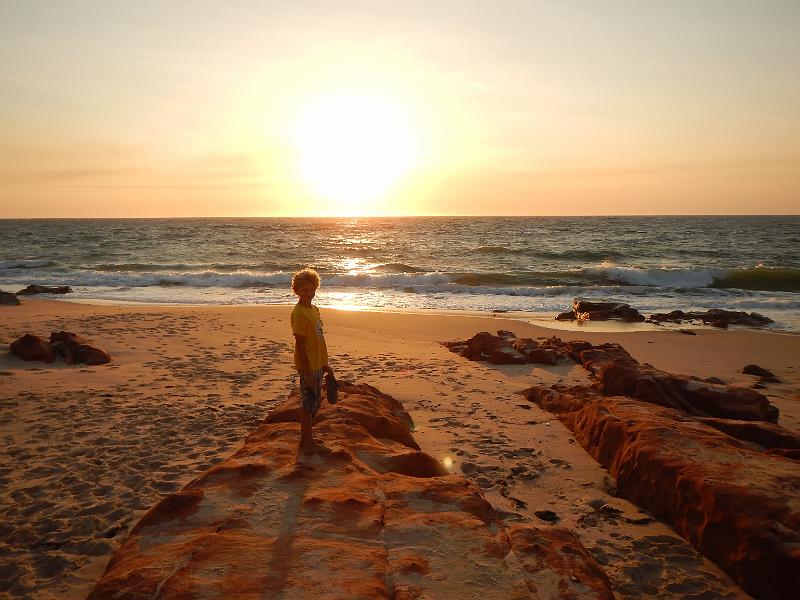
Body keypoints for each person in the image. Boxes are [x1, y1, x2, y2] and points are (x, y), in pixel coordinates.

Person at [290, 267, 333, 453]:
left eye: (311, 289)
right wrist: (307, 373)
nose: (309, 293)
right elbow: (300, 346)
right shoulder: (299, 313)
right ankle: (307, 443)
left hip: (318, 363)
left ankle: (308, 439)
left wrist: (325, 364)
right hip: (307, 365)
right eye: (304, 290)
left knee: (313, 403)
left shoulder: (314, 310)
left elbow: (319, 339)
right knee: (307, 405)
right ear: (297, 291)